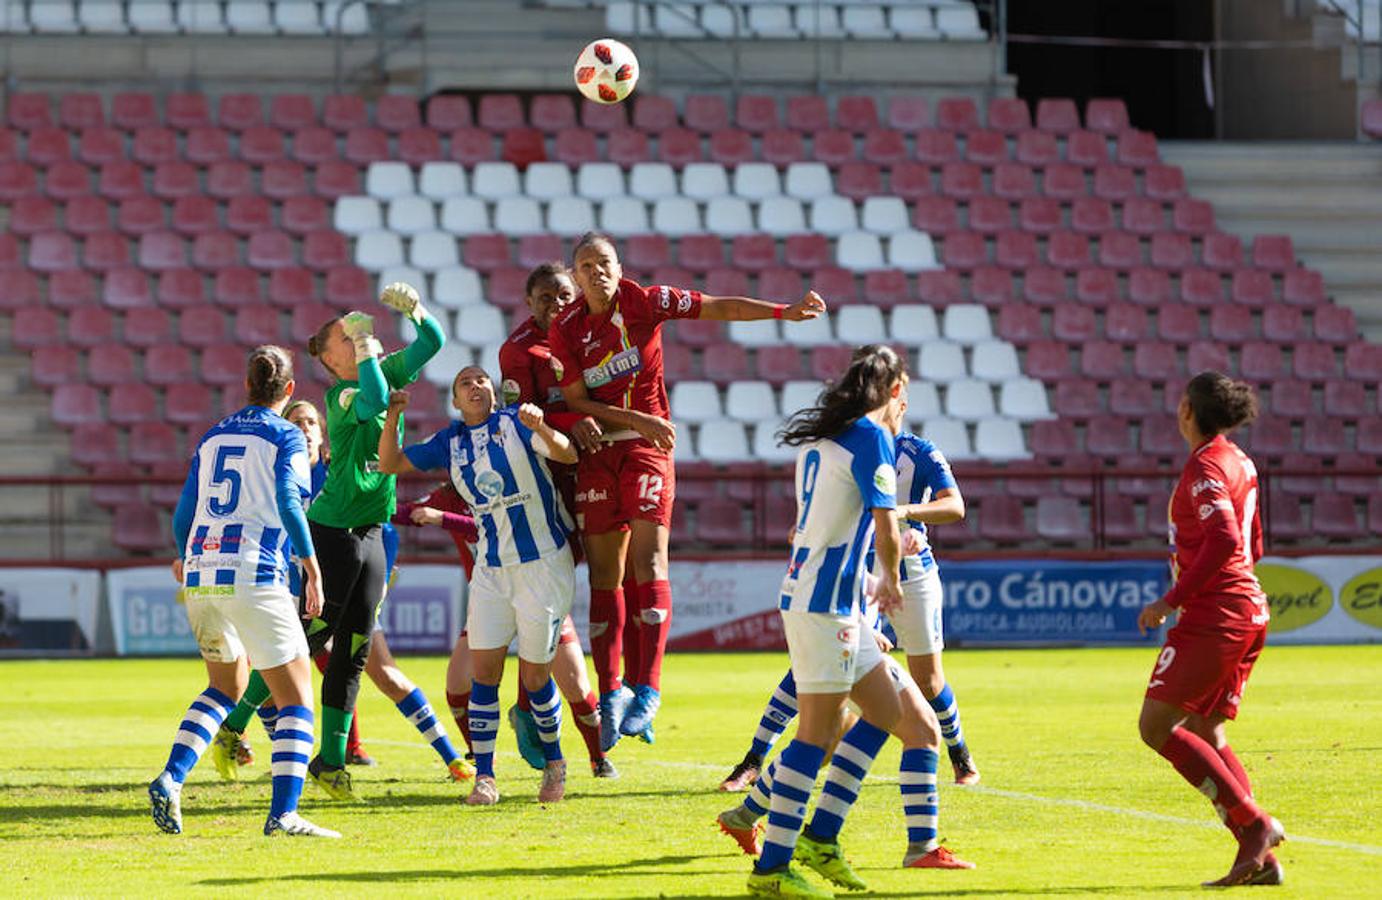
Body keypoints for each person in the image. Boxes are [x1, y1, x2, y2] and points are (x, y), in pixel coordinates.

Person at [548, 231, 828, 749]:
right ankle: (610, 693)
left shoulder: (645, 301)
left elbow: (718, 307)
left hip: (648, 448)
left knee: (650, 565)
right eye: (585, 266)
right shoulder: (566, 328)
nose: (596, 272)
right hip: (599, 453)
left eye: (604, 262)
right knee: (606, 577)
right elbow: (575, 400)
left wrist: (782, 313)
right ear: (575, 274)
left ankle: (647, 688)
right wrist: (632, 415)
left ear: (618, 264)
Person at [738, 345, 972, 898]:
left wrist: (869, 583)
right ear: (895, 393)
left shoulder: (825, 439)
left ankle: (822, 838)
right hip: (825, 606)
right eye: (905, 395)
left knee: (905, 720)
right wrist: (889, 580)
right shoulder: (872, 438)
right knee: (818, 733)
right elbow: (885, 524)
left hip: (831, 600)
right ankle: (771, 871)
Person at [210, 399, 474, 785]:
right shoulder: (273, 475)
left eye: (310, 423)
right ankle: (282, 746)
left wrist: (380, 582)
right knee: (292, 658)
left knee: (382, 672)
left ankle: (451, 758)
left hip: (350, 582)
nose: (303, 429)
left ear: (321, 431)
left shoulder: (338, 473)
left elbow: (381, 527)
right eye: (295, 422)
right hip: (291, 590)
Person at [719, 429, 980, 791]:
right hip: (855, 572)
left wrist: (900, 512)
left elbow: (954, 506)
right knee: (810, 666)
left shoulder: (917, 451)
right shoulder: (849, 449)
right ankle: (753, 761)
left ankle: (960, 753)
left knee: (928, 681)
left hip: (912, 574)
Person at [149, 345, 338, 838]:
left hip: (202, 574)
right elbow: (289, 503)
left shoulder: (212, 437)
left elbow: (182, 515)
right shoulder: (287, 437)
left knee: (224, 687)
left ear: (247, 387)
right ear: (289, 391)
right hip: (255, 572)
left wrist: (184, 554)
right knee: (297, 698)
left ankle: (171, 777)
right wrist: (311, 565)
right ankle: (284, 815)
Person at [378, 366, 578, 806]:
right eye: (464, 382)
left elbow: (567, 455)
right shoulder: (450, 442)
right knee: (483, 675)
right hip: (490, 569)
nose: (474, 385)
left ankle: (555, 762)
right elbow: (390, 464)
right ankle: (485, 778)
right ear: (454, 400)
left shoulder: (516, 423)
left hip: (542, 565)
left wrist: (541, 424)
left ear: (493, 391)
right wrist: (393, 414)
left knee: (535, 676)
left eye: (480, 380)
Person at [298, 282, 445, 800]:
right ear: (333, 358)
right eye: (346, 335)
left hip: (373, 530)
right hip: (334, 532)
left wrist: (416, 312)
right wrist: (366, 348)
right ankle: (238, 720)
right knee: (310, 641)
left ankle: (331, 762)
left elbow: (434, 343)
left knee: (355, 650)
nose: (359, 334)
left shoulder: (376, 371)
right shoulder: (342, 395)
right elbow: (377, 399)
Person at [1136, 372, 1284, 887]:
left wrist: (1170, 600)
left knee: (1157, 727)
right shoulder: (1240, 460)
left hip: (1216, 615)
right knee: (1206, 729)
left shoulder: (1205, 467)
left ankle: (1255, 825)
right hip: (1247, 608)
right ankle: (1259, 859)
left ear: (1187, 410)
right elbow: (1254, 543)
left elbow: (1223, 539)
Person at [499, 261, 618, 776]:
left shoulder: (596, 329)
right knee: (555, 591)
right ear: (530, 304)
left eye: (564, 295)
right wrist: (574, 420)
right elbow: (522, 417)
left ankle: (623, 687)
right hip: (548, 477)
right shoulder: (518, 351)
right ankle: (532, 708)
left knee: (603, 575)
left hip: (599, 458)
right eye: (546, 298)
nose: (557, 304)